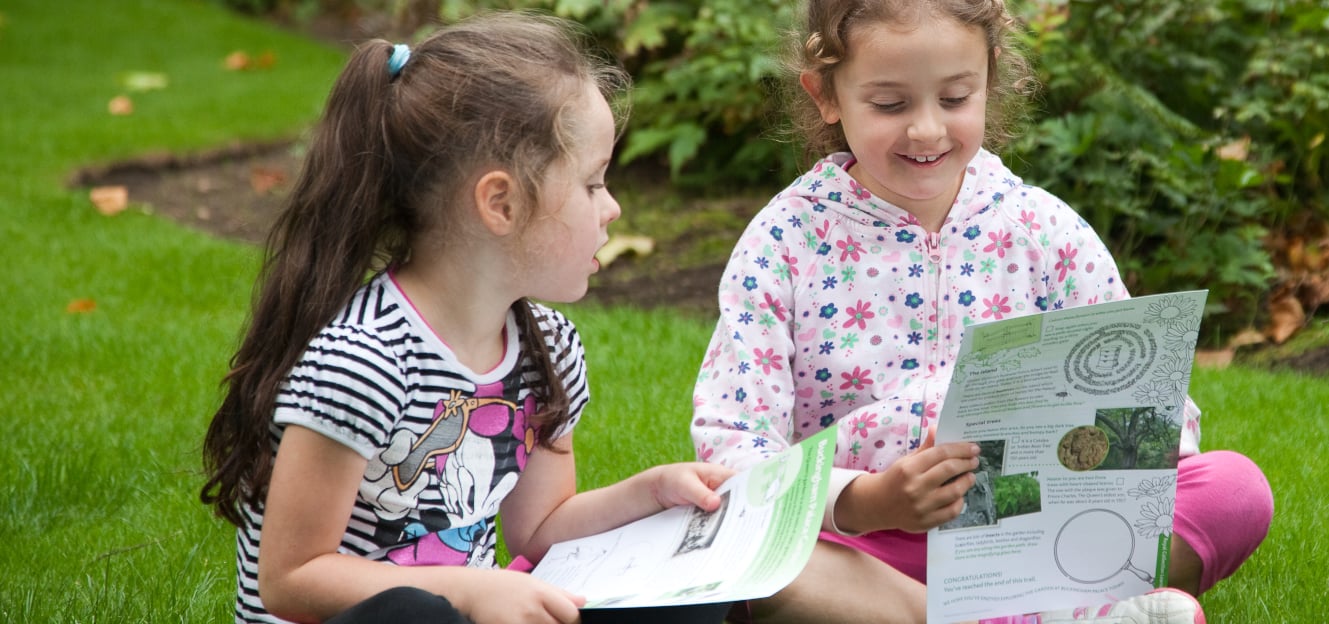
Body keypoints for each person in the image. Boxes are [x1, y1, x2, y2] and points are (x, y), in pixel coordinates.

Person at [688, 1, 1274, 622]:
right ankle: (1062, 612)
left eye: (955, 98)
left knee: (1235, 490)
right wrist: (865, 500)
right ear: (826, 94)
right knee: (768, 570)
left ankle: (1024, 605)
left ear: (989, 80)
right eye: (890, 104)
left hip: (1035, 528)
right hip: (868, 546)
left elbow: (1149, 397)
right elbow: (731, 445)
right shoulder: (786, 240)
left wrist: (1078, 454)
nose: (926, 131)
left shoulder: (1044, 230)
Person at [199, 13, 735, 624]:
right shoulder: (363, 360)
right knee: (413, 614)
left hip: (475, 609)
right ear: (500, 203)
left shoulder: (548, 348)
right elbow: (291, 578)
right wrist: (471, 591)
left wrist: (651, 494)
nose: (611, 208)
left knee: (684, 600)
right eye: (592, 184)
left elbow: (541, 529)